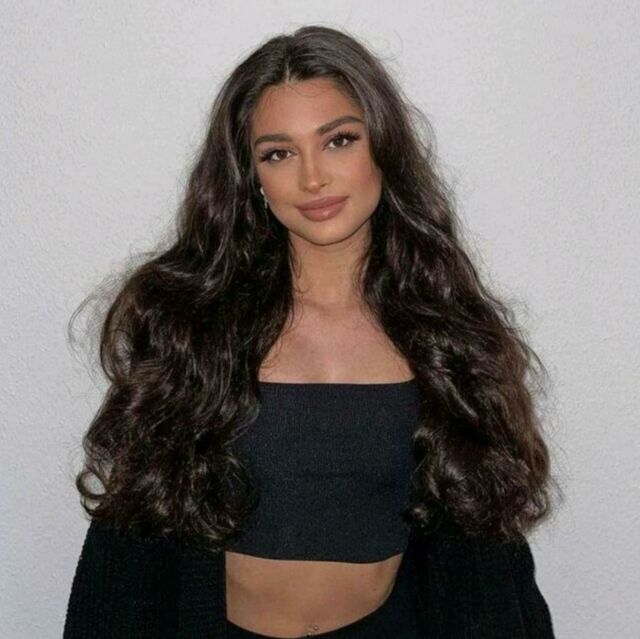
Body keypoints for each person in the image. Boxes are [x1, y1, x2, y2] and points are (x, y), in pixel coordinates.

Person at [63, 25, 558, 638]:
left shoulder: (448, 332)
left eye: (339, 140)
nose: (313, 177)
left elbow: (488, 551)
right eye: (279, 153)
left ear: (383, 147)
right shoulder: (190, 324)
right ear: (251, 176)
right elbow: (128, 543)